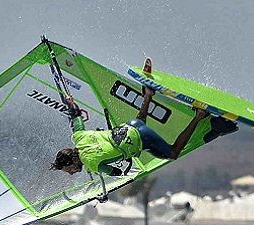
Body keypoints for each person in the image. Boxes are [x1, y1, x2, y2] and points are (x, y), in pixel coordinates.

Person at [51, 58, 238, 176]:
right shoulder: (78, 137)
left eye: (68, 170)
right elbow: (76, 116)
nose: (71, 174)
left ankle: (199, 116)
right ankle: (148, 94)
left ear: (72, 162)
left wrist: (110, 172)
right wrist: (70, 102)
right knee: (138, 124)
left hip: (141, 138)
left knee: (172, 153)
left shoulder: (93, 165)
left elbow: (115, 172)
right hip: (130, 126)